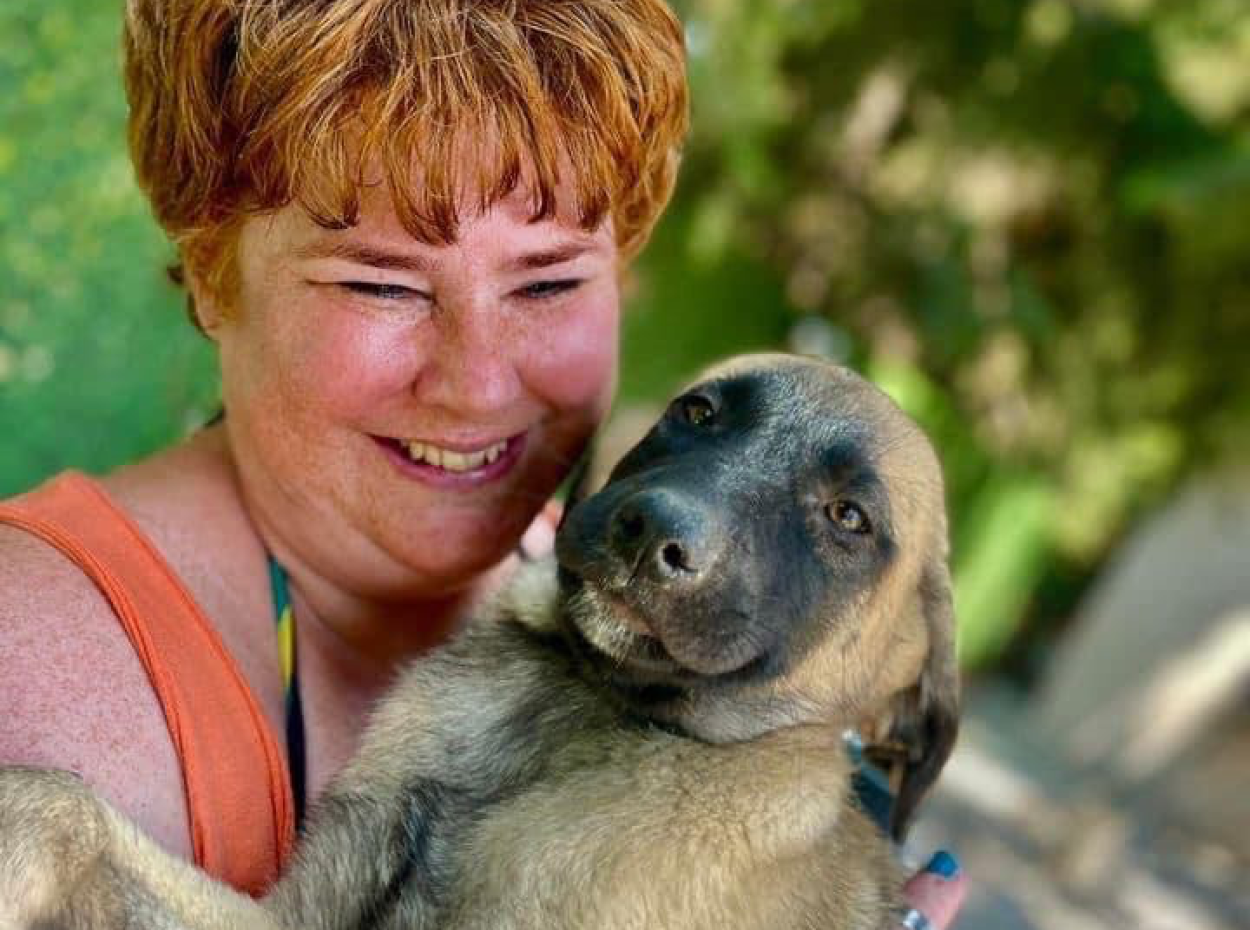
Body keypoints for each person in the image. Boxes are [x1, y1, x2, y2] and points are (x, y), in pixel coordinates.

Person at [0, 0, 965, 924]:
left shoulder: (560, 572)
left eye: (548, 281)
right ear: (212, 276)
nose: (477, 383)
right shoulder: (38, 663)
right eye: (382, 281)